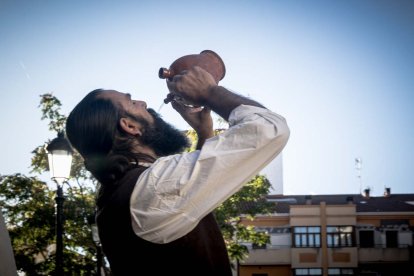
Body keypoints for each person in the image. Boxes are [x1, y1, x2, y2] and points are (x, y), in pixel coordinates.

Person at [66, 66, 290, 275]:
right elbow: (268, 129)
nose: (143, 103)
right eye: (132, 102)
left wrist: (204, 132)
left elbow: (189, 195)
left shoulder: (130, 189)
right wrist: (210, 92)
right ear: (129, 126)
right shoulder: (151, 187)